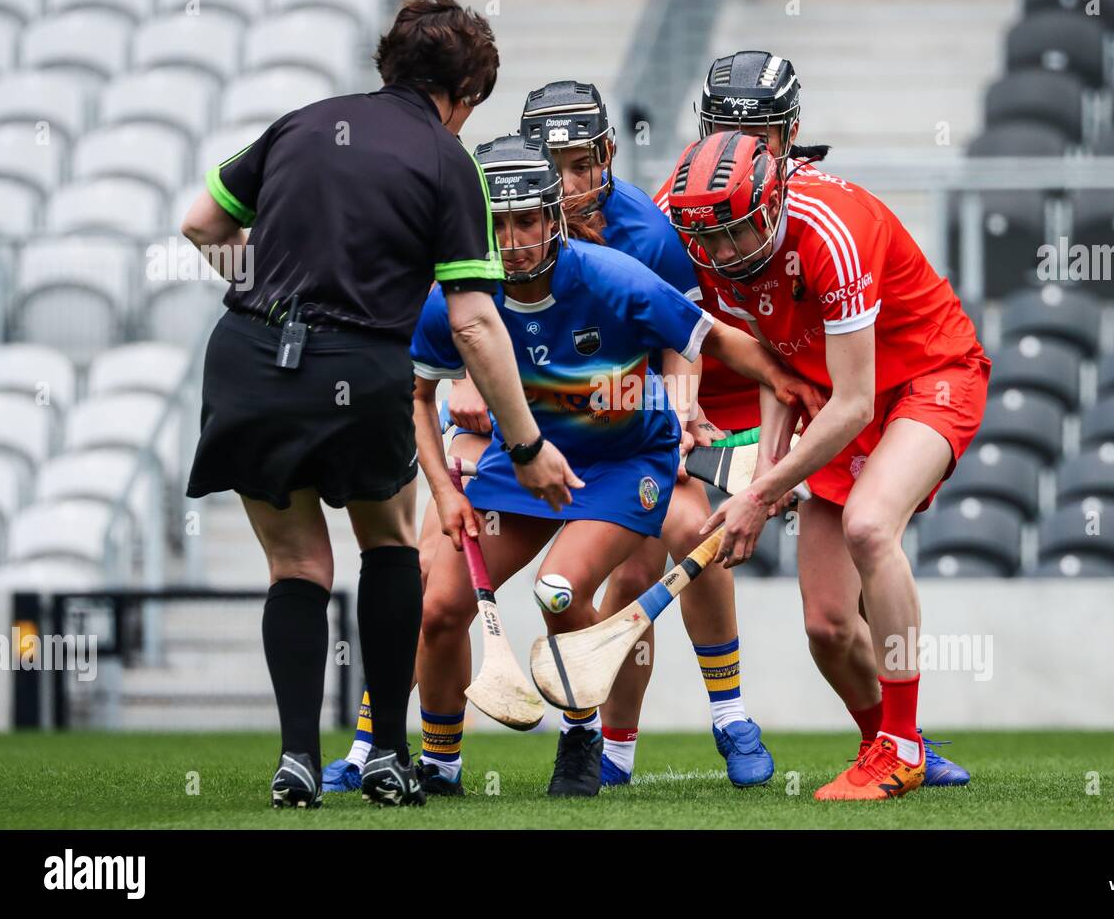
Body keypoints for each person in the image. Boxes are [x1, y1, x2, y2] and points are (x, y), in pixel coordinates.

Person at [323, 81, 822, 792]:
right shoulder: (456, 293)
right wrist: (443, 485)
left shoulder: (622, 267)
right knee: (437, 602)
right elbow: (419, 393)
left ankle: (595, 735)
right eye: (498, 224)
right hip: (523, 457)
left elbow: (709, 339)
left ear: (554, 217)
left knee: (559, 592)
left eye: (528, 220)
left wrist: (784, 382)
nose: (514, 241)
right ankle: (432, 765)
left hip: (623, 461)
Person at [181, 0, 579, 809]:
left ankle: (297, 758)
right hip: (360, 367)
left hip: (250, 358)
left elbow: (201, 226)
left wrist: (282, 294)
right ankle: (389, 757)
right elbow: (472, 322)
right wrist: (529, 444)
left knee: (295, 566)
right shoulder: (445, 158)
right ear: (463, 92)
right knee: (391, 548)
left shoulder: (302, 121)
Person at [661, 50, 972, 786]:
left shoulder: (826, 226)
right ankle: (900, 749)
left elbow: (858, 399)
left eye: (767, 135)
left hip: (927, 378)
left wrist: (760, 494)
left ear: (790, 136)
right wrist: (764, 479)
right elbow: (782, 373)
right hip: (833, 400)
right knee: (828, 627)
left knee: (869, 525)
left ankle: (898, 747)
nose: (724, 253)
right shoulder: (710, 225)